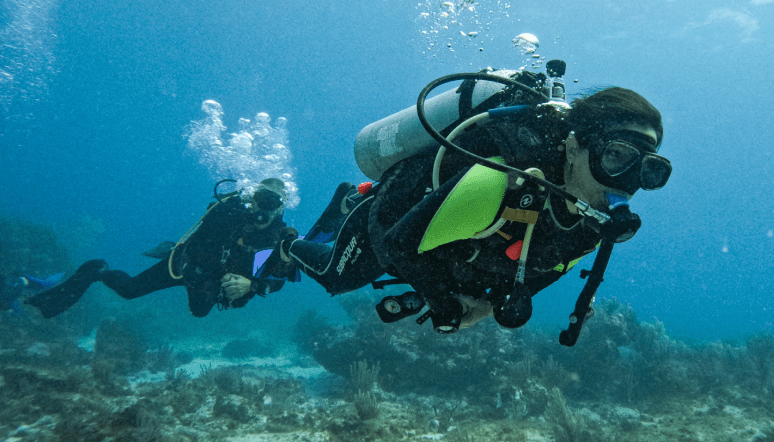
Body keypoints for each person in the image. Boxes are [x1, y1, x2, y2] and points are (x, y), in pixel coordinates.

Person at [266, 70, 671, 335]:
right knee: (336, 277)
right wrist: (445, 307)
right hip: (390, 219)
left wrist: (491, 305)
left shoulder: (593, 220)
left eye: (648, 170)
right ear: (573, 146)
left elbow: (552, 265)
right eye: (615, 157)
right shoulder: (497, 183)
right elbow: (399, 246)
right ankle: (292, 239)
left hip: (456, 246)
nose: (629, 183)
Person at [26, 178, 299, 318]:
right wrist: (197, 271)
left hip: (213, 282)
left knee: (200, 311)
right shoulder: (229, 212)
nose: (263, 208)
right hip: (184, 266)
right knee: (130, 290)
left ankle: (207, 293)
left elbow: (277, 279)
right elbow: (199, 242)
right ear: (252, 197)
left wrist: (250, 286)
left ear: (281, 207)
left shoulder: (280, 238)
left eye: (272, 203)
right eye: (260, 199)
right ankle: (96, 270)